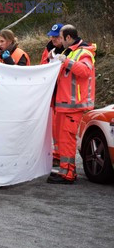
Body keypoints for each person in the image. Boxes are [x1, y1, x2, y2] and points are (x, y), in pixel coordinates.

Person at [47, 25, 96, 185]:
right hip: (64, 104)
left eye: (61, 37)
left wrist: (65, 61)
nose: (59, 40)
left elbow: (85, 72)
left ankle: (68, 174)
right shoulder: (69, 52)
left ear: (68, 38)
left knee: (67, 140)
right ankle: (63, 171)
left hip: (74, 105)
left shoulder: (84, 52)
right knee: (62, 140)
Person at [40, 23, 65, 167]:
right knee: (52, 126)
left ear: (64, 37)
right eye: (52, 36)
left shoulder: (70, 51)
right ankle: (54, 155)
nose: (53, 39)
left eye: (56, 37)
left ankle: (60, 155)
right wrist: (49, 59)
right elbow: (43, 67)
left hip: (63, 93)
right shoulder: (49, 49)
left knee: (61, 127)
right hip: (51, 92)